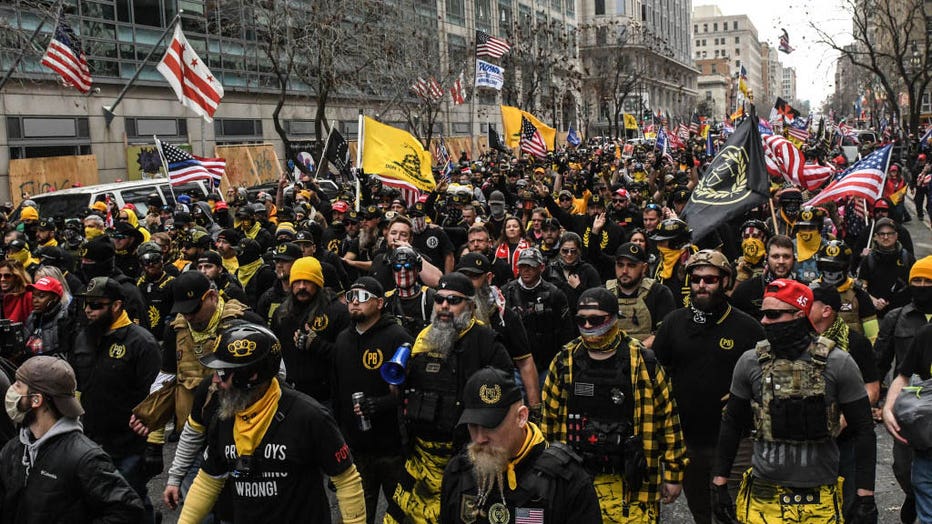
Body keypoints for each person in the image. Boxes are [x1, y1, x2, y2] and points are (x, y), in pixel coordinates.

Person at [711, 279, 877, 524]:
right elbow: (732, 423)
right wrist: (719, 482)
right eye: (763, 314)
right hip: (763, 494)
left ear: (799, 314)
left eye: (773, 314)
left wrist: (865, 495)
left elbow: (864, 428)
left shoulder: (838, 363)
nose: (764, 321)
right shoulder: (750, 362)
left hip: (819, 495)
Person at [177, 322, 367, 523]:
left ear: (251, 375)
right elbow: (208, 481)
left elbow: (346, 480)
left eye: (222, 372)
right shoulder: (224, 418)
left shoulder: (309, 417)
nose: (215, 380)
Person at [540, 287, 688, 522]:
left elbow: (668, 418)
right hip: (577, 480)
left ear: (613, 317)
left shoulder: (642, 361)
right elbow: (548, 422)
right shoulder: (564, 361)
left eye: (595, 319)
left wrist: (673, 473)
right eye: (581, 320)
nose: (587, 326)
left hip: (632, 485)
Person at [386, 273, 513, 524]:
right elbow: (404, 394)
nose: (444, 306)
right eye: (439, 299)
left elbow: (505, 402)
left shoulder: (486, 343)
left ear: (470, 306)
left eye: (453, 300)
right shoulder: (423, 338)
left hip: (466, 460)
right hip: (419, 459)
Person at [651, 250, 764, 524]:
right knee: (701, 510)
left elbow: (767, 380)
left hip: (736, 441)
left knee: (729, 512)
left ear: (725, 281)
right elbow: (657, 376)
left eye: (710, 279)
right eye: (696, 279)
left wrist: (748, 398)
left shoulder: (748, 328)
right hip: (688, 440)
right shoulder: (673, 323)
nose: (701, 285)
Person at [440, 367, 602, 523]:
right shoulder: (458, 473)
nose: (480, 438)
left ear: (521, 417)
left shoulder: (566, 482)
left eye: (491, 426)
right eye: (473, 426)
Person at [0, 356, 144, 522]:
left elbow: (127, 511)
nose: (11, 390)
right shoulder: (13, 449)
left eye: (18, 386)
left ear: (36, 400)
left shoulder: (84, 457)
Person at [69, 277, 161, 523]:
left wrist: (154, 444)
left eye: (96, 305)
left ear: (117, 305)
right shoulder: (83, 338)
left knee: (131, 501)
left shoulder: (142, 343)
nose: (89, 311)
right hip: (90, 440)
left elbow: (156, 397)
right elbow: (78, 385)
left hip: (129, 444)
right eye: (86, 305)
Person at [332, 277, 414, 523]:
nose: (355, 302)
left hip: (392, 448)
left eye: (363, 297)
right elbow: (337, 392)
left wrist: (378, 405)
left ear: (379, 303)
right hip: (356, 449)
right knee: (357, 515)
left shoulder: (397, 337)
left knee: (402, 513)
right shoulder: (342, 340)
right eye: (351, 296)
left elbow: (409, 392)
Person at [807, 284, 881, 517]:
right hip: (807, 440)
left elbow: (872, 388)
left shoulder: (855, 343)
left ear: (826, 310)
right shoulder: (799, 339)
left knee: (846, 503)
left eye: (809, 303)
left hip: (845, 442)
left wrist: (845, 417)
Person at [875, 255, 932, 523]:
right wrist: (885, 406)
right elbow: (896, 371)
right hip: (916, 419)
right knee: (905, 469)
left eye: (927, 281)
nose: (921, 286)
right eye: (917, 281)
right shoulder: (908, 324)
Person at [457, 252, 540, 410]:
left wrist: (535, 408)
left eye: (473, 277)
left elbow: (525, 363)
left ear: (488, 278)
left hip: (498, 395)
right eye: (463, 277)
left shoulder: (505, 316)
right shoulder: (449, 314)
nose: (467, 284)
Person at [274, 256, 349, 403]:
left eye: (307, 281)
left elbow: (348, 357)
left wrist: (317, 345)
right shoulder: (282, 314)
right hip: (290, 395)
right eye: (297, 282)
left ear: (318, 284)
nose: (302, 286)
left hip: (327, 397)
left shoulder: (337, 313)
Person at [502, 248, 574, 383]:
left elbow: (566, 330)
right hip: (516, 364)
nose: (526, 270)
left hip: (547, 363)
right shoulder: (507, 292)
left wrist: (563, 361)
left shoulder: (555, 294)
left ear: (541, 267)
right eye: (522, 266)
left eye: (531, 266)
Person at [605, 242, 676, 346]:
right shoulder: (604, 294)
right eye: (620, 265)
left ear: (644, 268)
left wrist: (639, 351)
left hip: (649, 357)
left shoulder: (659, 293)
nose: (624, 271)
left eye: (631, 265)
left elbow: (665, 331)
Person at [812, 240, 878, 341]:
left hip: (852, 352)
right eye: (826, 266)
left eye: (836, 267)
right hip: (817, 352)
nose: (830, 272)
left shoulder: (859, 294)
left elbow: (873, 336)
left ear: (846, 267)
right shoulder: (811, 292)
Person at [857, 217, 915, 316]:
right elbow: (861, 287)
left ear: (896, 235)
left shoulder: (907, 258)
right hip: (876, 315)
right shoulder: (869, 260)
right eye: (882, 234)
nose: (886, 237)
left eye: (890, 233)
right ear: (875, 237)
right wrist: (873, 300)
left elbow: (916, 286)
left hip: (902, 315)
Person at [731, 235, 795, 321]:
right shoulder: (745, 290)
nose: (781, 261)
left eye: (786, 256)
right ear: (766, 258)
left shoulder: (804, 290)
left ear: (794, 259)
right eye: (775, 256)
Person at [382, 246, 436, 338]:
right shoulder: (386, 300)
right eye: (397, 267)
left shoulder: (430, 297)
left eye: (408, 266)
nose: (403, 271)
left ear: (417, 269)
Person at [21, 276, 75, 359]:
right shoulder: (32, 317)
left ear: (55, 298)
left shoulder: (64, 318)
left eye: (41, 296)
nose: (35, 300)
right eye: (34, 296)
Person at [650, 218, 696, 307]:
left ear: (676, 242)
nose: (658, 246)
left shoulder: (696, 263)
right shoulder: (659, 264)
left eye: (662, 241)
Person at [256, 242, 301, 324]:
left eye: (285, 261)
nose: (279, 265)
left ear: (298, 263)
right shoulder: (267, 298)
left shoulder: (305, 295)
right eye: (277, 261)